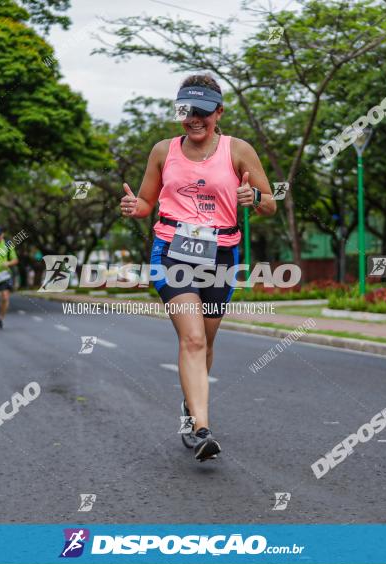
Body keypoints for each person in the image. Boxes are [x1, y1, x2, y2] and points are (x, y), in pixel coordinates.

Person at [119, 73, 277, 462]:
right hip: (171, 251)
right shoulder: (163, 150)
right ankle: (201, 429)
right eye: (187, 112)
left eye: (203, 113)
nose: (194, 120)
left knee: (205, 342)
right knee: (191, 338)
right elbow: (145, 202)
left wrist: (253, 195)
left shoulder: (238, 151)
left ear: (219, 112)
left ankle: (192, 404)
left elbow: (270, 204)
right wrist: (133, 208)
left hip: (222, 255)